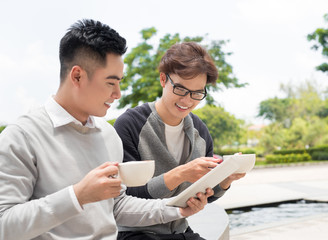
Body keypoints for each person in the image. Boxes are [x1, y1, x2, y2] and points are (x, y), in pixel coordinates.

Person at [0, 19, 213, 240]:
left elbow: (118, 206)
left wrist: (176, 210)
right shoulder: (21, 137)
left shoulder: (108, 135)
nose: (118, 93)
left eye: (120, 82)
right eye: (111, 83)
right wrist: (77, 196)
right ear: (77, 76)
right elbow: (3, 224)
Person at [114, 42, 246, 240]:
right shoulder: (129, 124)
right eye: (180, 89)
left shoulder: (199, 131)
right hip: (137, 233)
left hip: (180, 230)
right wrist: (181, 174)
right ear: (162, 79)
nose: (187, 100)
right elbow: (127, 196)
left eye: (197, 93)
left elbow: (206, 194)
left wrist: (225, 180)